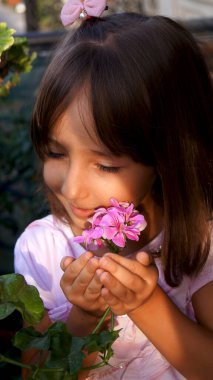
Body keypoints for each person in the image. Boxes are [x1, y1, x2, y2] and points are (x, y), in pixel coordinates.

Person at [14, 4, 213, 380]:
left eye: (106, 165)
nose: (72, 188)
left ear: (165, 158)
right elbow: (35, 373)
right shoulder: (42, 250)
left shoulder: (200, 245)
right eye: (56, 153)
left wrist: (146, 303)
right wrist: (84, 317)